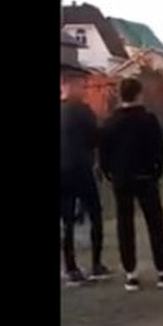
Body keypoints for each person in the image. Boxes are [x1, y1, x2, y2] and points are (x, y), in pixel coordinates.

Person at [100, 77, 163, 291]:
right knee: (155, 224)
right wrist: (157, 172)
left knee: (125, 225)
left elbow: (103, 153)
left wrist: (109, 173)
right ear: (139, 94)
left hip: (121, 179)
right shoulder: (149, 120)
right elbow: (159, 149)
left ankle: (131, 275)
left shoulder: (111, 122)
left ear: (121, 96)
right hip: (146, 178)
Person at [60, 70, 109, 286]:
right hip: (81, 169)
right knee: (95, 213)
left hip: (62, 171)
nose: (84, 90)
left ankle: (70, 267)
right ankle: (96, 263)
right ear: (71, 86)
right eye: (81, 86)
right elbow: (95, 139)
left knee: (66, 220)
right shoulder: (83, 111)